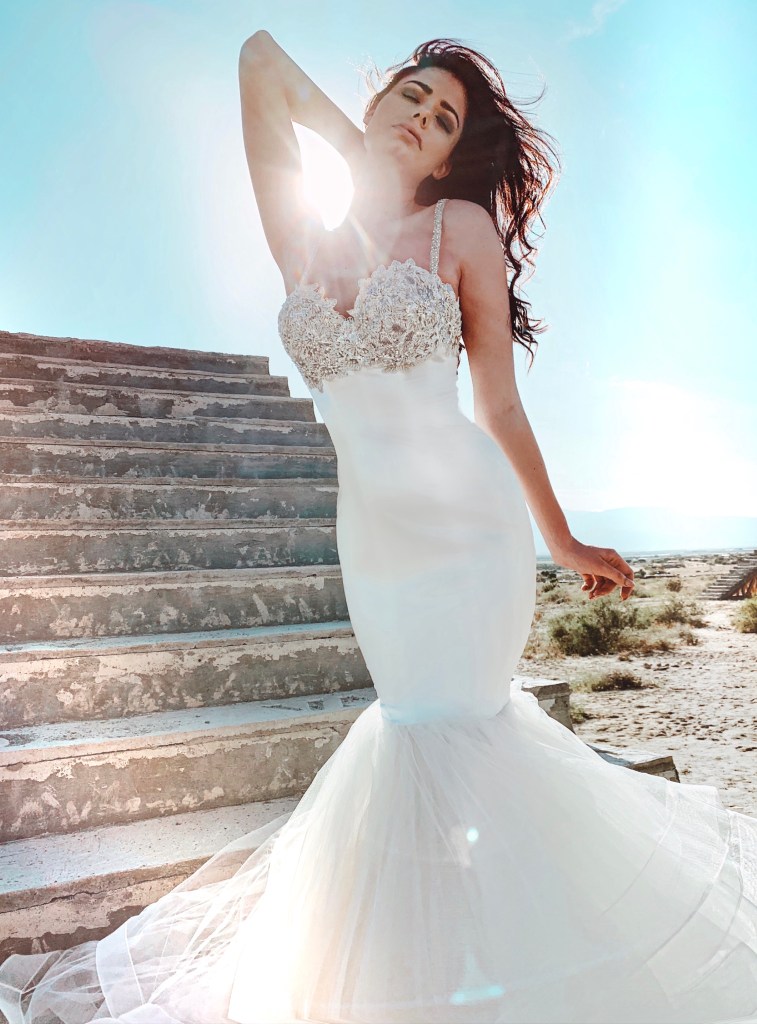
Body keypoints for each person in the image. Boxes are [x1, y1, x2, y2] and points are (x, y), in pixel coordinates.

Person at [1, 31, 755, 1024]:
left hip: (470, 533)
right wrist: (362, 148)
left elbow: (500, 407)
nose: (422, 121)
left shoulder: (458, 229)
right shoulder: (303, 236)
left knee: (464, 746)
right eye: (411, 97)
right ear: (373, 104)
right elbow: (258, 61)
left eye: (442, 122)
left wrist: (561, 539)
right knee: (408, 739)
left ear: (449, 159)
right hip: (377, 546)